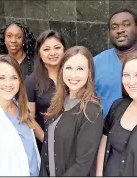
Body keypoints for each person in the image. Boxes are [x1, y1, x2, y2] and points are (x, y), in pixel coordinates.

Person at [39, 46, 103, 176]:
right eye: (68, 68)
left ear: (89, 72)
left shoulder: (91, 111)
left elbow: (82, 164)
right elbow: (47, 148)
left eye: (80, 69)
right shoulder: (59, 101)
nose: (73, 75)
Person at [25, 30, 66, 152]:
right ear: (40, 54)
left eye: (57, 47)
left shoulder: (72, 76)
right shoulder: (31, 81)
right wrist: (47, 141)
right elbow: (29, 118)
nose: (53, 53)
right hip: (46, 144)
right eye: (46, 49)